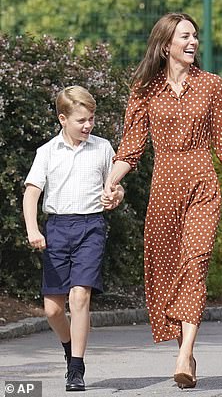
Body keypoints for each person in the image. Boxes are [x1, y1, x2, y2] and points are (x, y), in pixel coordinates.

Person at [102, 13, 222, 389]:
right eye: (185, 36)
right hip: (164, 189)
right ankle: (185, 346)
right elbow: (131, 146)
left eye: (196, 36)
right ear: (166, 44)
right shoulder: (145, 89)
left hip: (202, 184)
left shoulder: (211, 86)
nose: (193, 42)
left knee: (196, 261)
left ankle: (185, 352)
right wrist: (111, 182)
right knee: (169, 272)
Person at [22, 85, 124, 392]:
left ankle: (76, 368)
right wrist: (32, 229)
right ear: (62, 119)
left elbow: (115, 187)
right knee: (53, 308)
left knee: (80, 295)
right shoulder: (47, 152)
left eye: (91, 118)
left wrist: (116, 194)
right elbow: (31, 194)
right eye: (81, 120)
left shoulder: (103, 148)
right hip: (57, 229)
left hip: (91, 226)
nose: (88, 125)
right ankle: (69, 349)